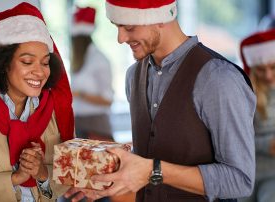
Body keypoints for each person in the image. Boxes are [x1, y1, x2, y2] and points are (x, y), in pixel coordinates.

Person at [64, 0, 256, 201]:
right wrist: (109, 175)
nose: (120, 38)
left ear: (160, 18)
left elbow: (240, 181)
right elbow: (151, 152)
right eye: (116, 26)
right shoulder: (133, 76)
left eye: (129, 27)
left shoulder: (218, 78)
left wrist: (153, 170)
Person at [0, 2, 74, 202]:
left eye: (45, 62)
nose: (40, 71)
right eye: (27, 62)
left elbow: (63, 182)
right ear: (2, 64)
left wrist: (43, 175)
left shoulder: (53, 110)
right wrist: (14, 179)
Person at [239, 29, 275, 202]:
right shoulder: (243, 94)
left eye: (273, 67)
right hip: (245, 172)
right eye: (261, 69)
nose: (268, 76)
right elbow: (234, 138)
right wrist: (266, 145)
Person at [70, 7, 114, 142]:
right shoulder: (78, 61)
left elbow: (107, 100)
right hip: (78, 122)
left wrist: (79, 94)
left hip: (96, 124)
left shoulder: (99, 60)